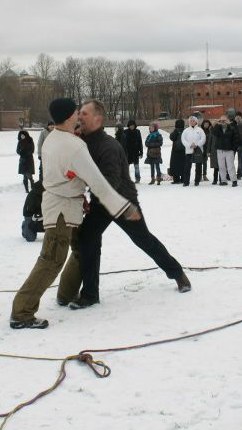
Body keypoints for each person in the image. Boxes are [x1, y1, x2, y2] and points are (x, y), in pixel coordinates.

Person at [9, 98, 141, 330]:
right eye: (76, 112)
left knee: (81, 247)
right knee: (51, 259)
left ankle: (65, 293)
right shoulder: (74, 146)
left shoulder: (53, 138)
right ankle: (22, 312)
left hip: (67, 203)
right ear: (70, 116)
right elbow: (99, 184)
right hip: (61, 208)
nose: (80, 115)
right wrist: (125, 208)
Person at [68, 99, 191, 309]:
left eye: (85, 114)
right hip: (101, 201)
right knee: (88, 239)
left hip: (123, 202)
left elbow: (111, 183)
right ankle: (89, 294)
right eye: (80, 113)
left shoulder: (108, 146)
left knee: (143, 240)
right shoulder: (82, 142)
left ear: (98, 118)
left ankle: (177, 273)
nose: (80, 117)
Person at [213, 114, 239, 187]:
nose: (223, 122)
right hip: (220, 150)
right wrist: (217, 124)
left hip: (229, 150)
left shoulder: (232, 128)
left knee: (230, 166)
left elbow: (235, 138)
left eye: (224, 120)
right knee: (221, 166)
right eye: (221, 120)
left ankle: (234, 180)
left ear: (227, 120)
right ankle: (223, 180)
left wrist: (233, 148)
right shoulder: (218, 128)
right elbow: (214, 133)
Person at [181, 115, 207, 187]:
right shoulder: (186, 130)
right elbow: (183, 139)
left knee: (198, 167)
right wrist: (189, 145)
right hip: (189, 151)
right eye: (190, 121)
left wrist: (197, 145)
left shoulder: (200, 130)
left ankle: (197, 181)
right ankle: (186, 182)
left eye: (193, 121)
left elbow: (203, 138)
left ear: (196, 122)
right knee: (187, 167)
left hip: (198, 151)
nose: (192, 122)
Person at [168, 119, 186, 184]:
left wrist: (176, 131)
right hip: (184, 150)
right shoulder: (185, 131)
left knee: (175, 165)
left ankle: (176, 180)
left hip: (175, 150)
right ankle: (183, 179)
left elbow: (171, 137)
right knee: (183, 165)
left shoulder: (175, 131)